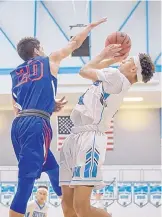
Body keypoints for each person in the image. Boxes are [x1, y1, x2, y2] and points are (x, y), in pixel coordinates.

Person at [9, 17, 107, 217]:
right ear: (36, 50)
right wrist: (88, 27)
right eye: (41, 48)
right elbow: (74, 44)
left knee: (56, 171)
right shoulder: (48, 61)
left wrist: (47, 106)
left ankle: (72, 211)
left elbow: (17, 107)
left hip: (20, 124)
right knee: (26, 183)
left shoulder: (16, 73)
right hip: (35, 125)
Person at [59, 44, 155, 217]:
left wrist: (104, 54)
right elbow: (91, 70)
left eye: (127, 60)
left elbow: (84, 70)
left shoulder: (117, 77)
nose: (123, 61)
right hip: (75, 136)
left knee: (81, 208)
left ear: (133, 68)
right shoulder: (114, 78)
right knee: (68, 207)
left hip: (90, 139)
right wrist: (111, 59)